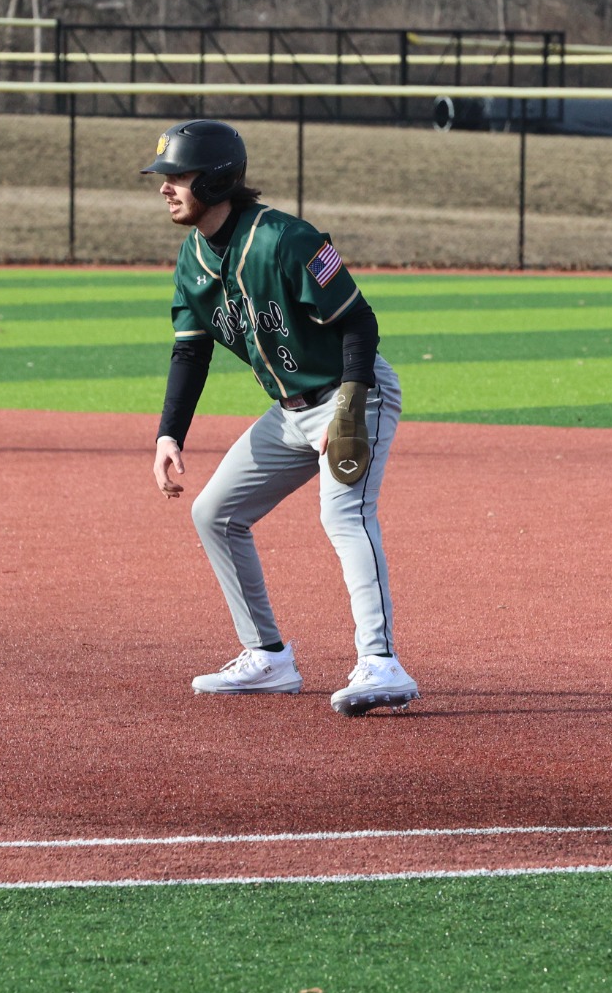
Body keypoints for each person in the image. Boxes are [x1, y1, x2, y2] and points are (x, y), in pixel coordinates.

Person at [145, 119, 417, 716]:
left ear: (216, 180)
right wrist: (170, 434)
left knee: (344, 513)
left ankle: (381, 663)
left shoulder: (285, 240)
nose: (165, 187)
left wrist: (348, 405)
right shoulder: (193, 262)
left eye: (178, 175)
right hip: (289, 412)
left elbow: (358, 322)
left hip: (354, 393)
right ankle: (267, 657)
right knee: (215, 512)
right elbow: (190, 349)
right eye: (162, 178)